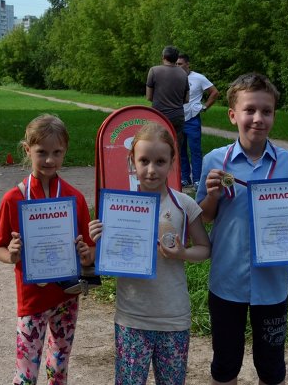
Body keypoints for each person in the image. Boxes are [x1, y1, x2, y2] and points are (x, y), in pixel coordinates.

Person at [195, 73, 288, 385]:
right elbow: (204, 217)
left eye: (266, 111)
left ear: (274, 115)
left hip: (272, 283)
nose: (258, 118)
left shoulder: (287, 163)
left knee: (271, 367)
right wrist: (212, 194)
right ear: (232, 115)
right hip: (227, 280)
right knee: (225, 363)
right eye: (249, 110)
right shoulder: (215, 161)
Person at [89, 122, 211, 385]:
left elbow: (205, 248)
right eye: (144, 160)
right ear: (131, 161)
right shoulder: (118, 207)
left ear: (172, 162)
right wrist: (99, 238)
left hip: (173, 317)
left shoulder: (184, 203)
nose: (152, 169)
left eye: (160, 161)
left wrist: (181, 253)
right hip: (132, 316)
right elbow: (107, 256)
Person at [0, 114, 95, 385]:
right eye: (42, 152)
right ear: (27, 150)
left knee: (59, 366)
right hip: (32, 300)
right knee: (26, 372)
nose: (50, 159)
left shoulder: (75, 197)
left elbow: (90, 251)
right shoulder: (13, 199)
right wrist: (12, 254)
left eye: (57, 152)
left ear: (65, 152)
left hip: (67, 296)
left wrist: (86, 253)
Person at [176, 53, 219, 189]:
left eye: (180, 64)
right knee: (180, 150)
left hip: (193, 118)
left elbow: (214, 92)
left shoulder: (198, 78)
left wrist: (204, 107)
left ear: (188, 64)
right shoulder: (173, 77)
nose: (178, 66)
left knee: (195, 150)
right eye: (176, 64)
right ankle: (184, 178)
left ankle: (197, 179)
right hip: (178, 118)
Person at [146, 46, 190, 153]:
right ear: (176, 59)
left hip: (159, 115)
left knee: (157, 147)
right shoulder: (183, 73)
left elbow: (149, 97)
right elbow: (187, 99)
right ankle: (174, 169)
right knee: (175, 149)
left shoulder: (154, 71)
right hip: (178, 116)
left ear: (163, 57)